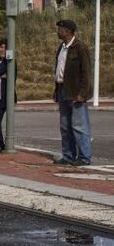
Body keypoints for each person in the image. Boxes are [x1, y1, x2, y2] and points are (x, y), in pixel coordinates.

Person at [53, 19, 92, 166]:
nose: (58, 31)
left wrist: (82, 93)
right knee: (65, 126)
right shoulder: (61, 47)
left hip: (76, 93)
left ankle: (84, 157)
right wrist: (56, 90)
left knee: (79, 126)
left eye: (60, 29)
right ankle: (68, 155)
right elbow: (59, 71)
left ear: (68, 31)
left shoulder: (80, 47)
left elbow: (86, 73)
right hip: (63, 90)